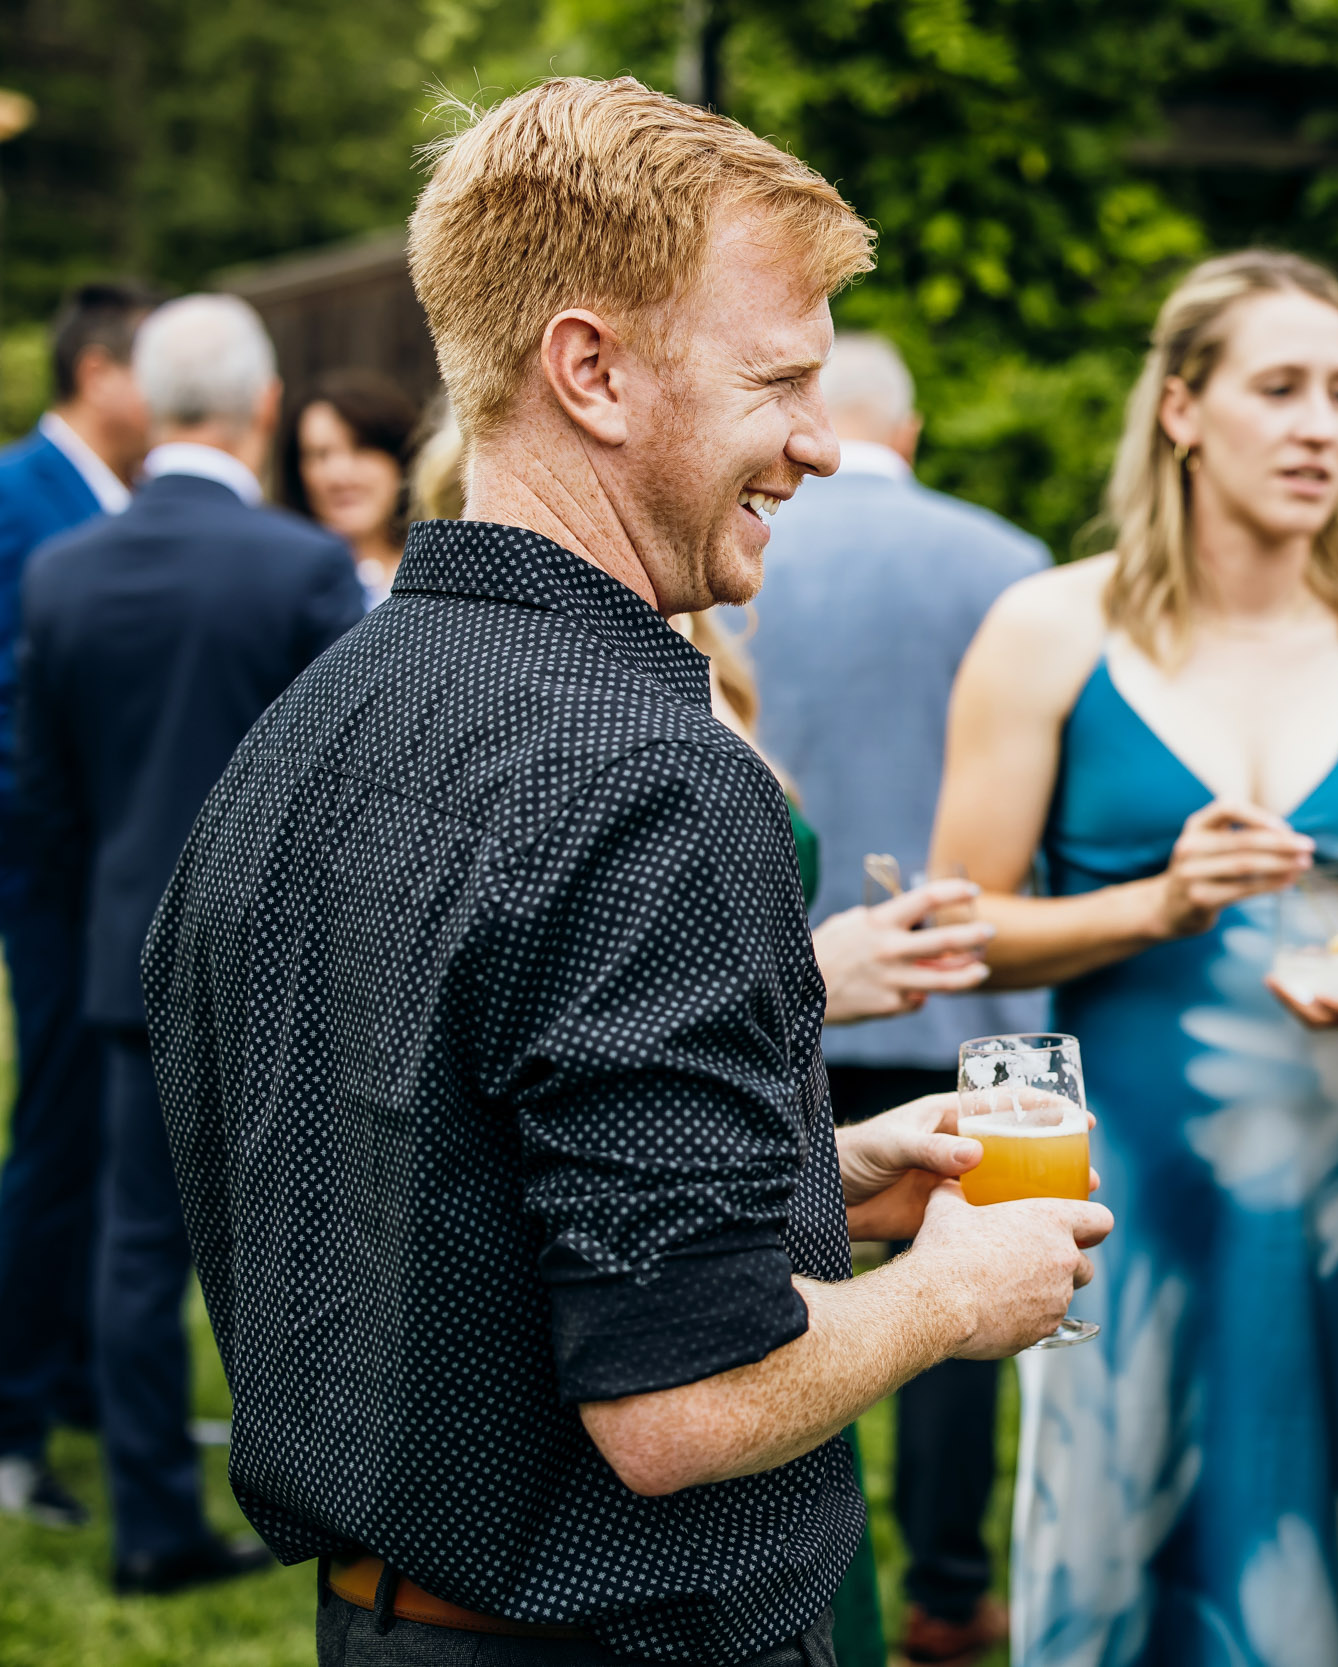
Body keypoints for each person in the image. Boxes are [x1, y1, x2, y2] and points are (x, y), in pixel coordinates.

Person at [142, 77, 1111, 1665]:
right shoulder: (654, 777)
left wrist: (827, 1175)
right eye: (779, 379)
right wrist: (957, 1289)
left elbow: (435, 1179)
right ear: (588, 368)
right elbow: (678, 1399)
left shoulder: (321, 712)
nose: (816, 440)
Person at [930, 249, 1338, 1666]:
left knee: (1328, 1537)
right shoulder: (1054, 630)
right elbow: (956, 927)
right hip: (1118, 1184)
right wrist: (1151, 907)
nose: (1320, 426)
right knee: (1122, 1540)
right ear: (1182, 407)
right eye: (1281, 387)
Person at [17, 292, 364, 1592]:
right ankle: (334, 1499)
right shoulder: (295, 566)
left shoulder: (64, 573)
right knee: (313, 1237)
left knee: (135, 1243)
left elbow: (41, 795)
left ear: (150, 406)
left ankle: (152, 1519)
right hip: (286, 964)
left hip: (117, 950)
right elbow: (359, 783)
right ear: (266, 406)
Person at [744, 329, 1049, 1667]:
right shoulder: (1006, 563)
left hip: (780, 981)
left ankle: (798, 1555)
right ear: (912, 433)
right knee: (955, 1276)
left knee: (766, 1271)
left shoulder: (737, 542)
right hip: (961, 990)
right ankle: (943, 1578)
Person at [0, 279, 155, 1530]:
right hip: (56, 887)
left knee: (110, 1152)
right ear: (100, 372)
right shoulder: (17, 498)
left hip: (119, 882)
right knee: (55, 1141)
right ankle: (11, 1420)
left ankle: (77, 1380)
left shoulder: (125, 507)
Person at [284, 370, 422, 605]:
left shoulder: (438, 576)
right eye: (320, 455)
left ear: (399, 459)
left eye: (361, 449)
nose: (340, 475)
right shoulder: (282, 579)